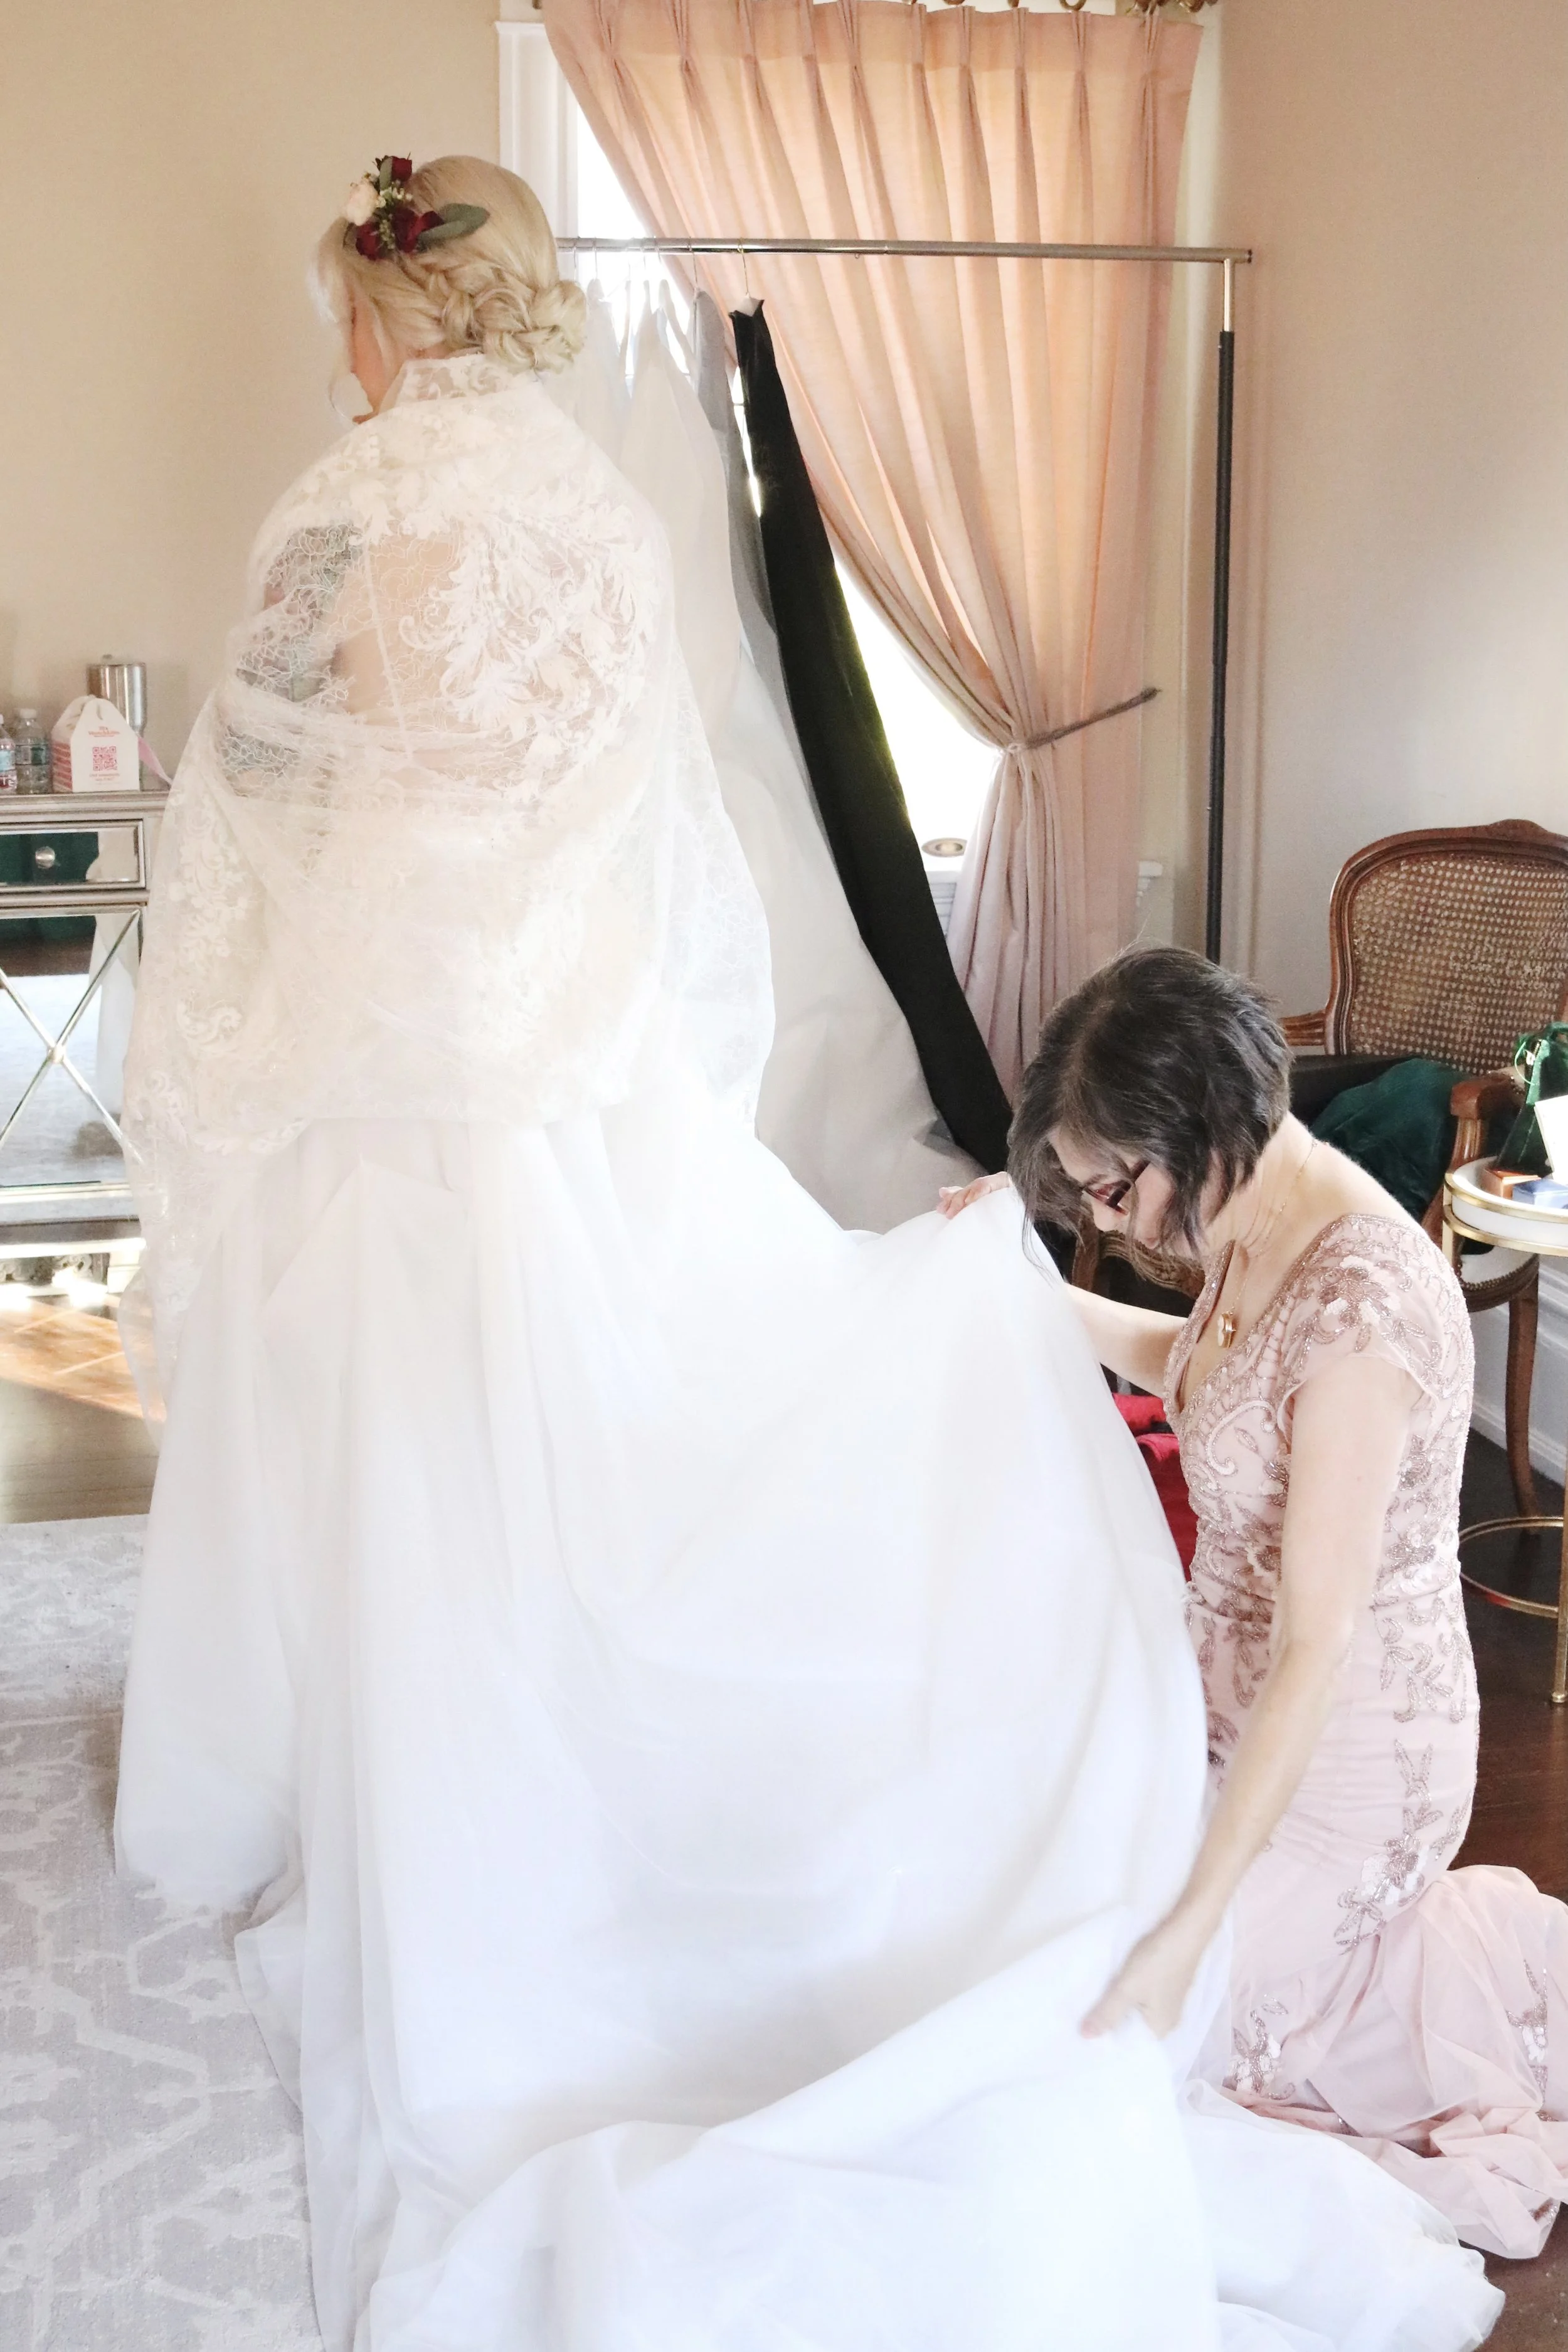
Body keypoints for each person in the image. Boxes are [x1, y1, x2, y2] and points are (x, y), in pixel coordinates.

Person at [114, 159, 1500, 2350]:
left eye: (343, 316)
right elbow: (654, 839)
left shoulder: (347, 510)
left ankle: (436, 1834)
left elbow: (260, 794)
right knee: (570, 1458)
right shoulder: (593, 519)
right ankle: (558, 1801)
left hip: (406, 1073)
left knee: (408, 1462)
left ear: (386, 316)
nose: (340, 352)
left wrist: (296, 988)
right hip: (564, 1056)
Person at [948, 943, 1568, 2260]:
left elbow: (1314, 1649)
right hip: (1226, 1713)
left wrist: (1194, 1927)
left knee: (1135, 2045)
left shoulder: (1358, 1312)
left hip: (1347, 1762)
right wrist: (1029, 1291)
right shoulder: (1262, 1213)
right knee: (1029, 1920)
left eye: (1116, 1185)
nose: (1115, 1223)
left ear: (1201, 1126)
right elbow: (1203, 1370)